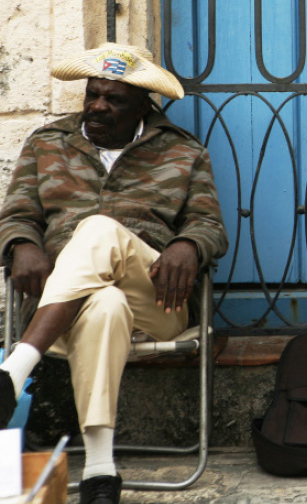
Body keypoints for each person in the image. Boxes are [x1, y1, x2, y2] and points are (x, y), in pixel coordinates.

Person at [0, 43, 228, 504]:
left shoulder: (183, 152)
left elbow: (209, 225)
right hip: (67, 311)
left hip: (157, 302)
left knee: (100, 229)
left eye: (115, 100)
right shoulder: (47, 144)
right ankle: (102, 472)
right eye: (93, 94)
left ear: (145, 105)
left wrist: (189, 244)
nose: (98, 106)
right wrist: (21, 244)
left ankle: (14, 370)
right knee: (105, 304)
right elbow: (17, 214)